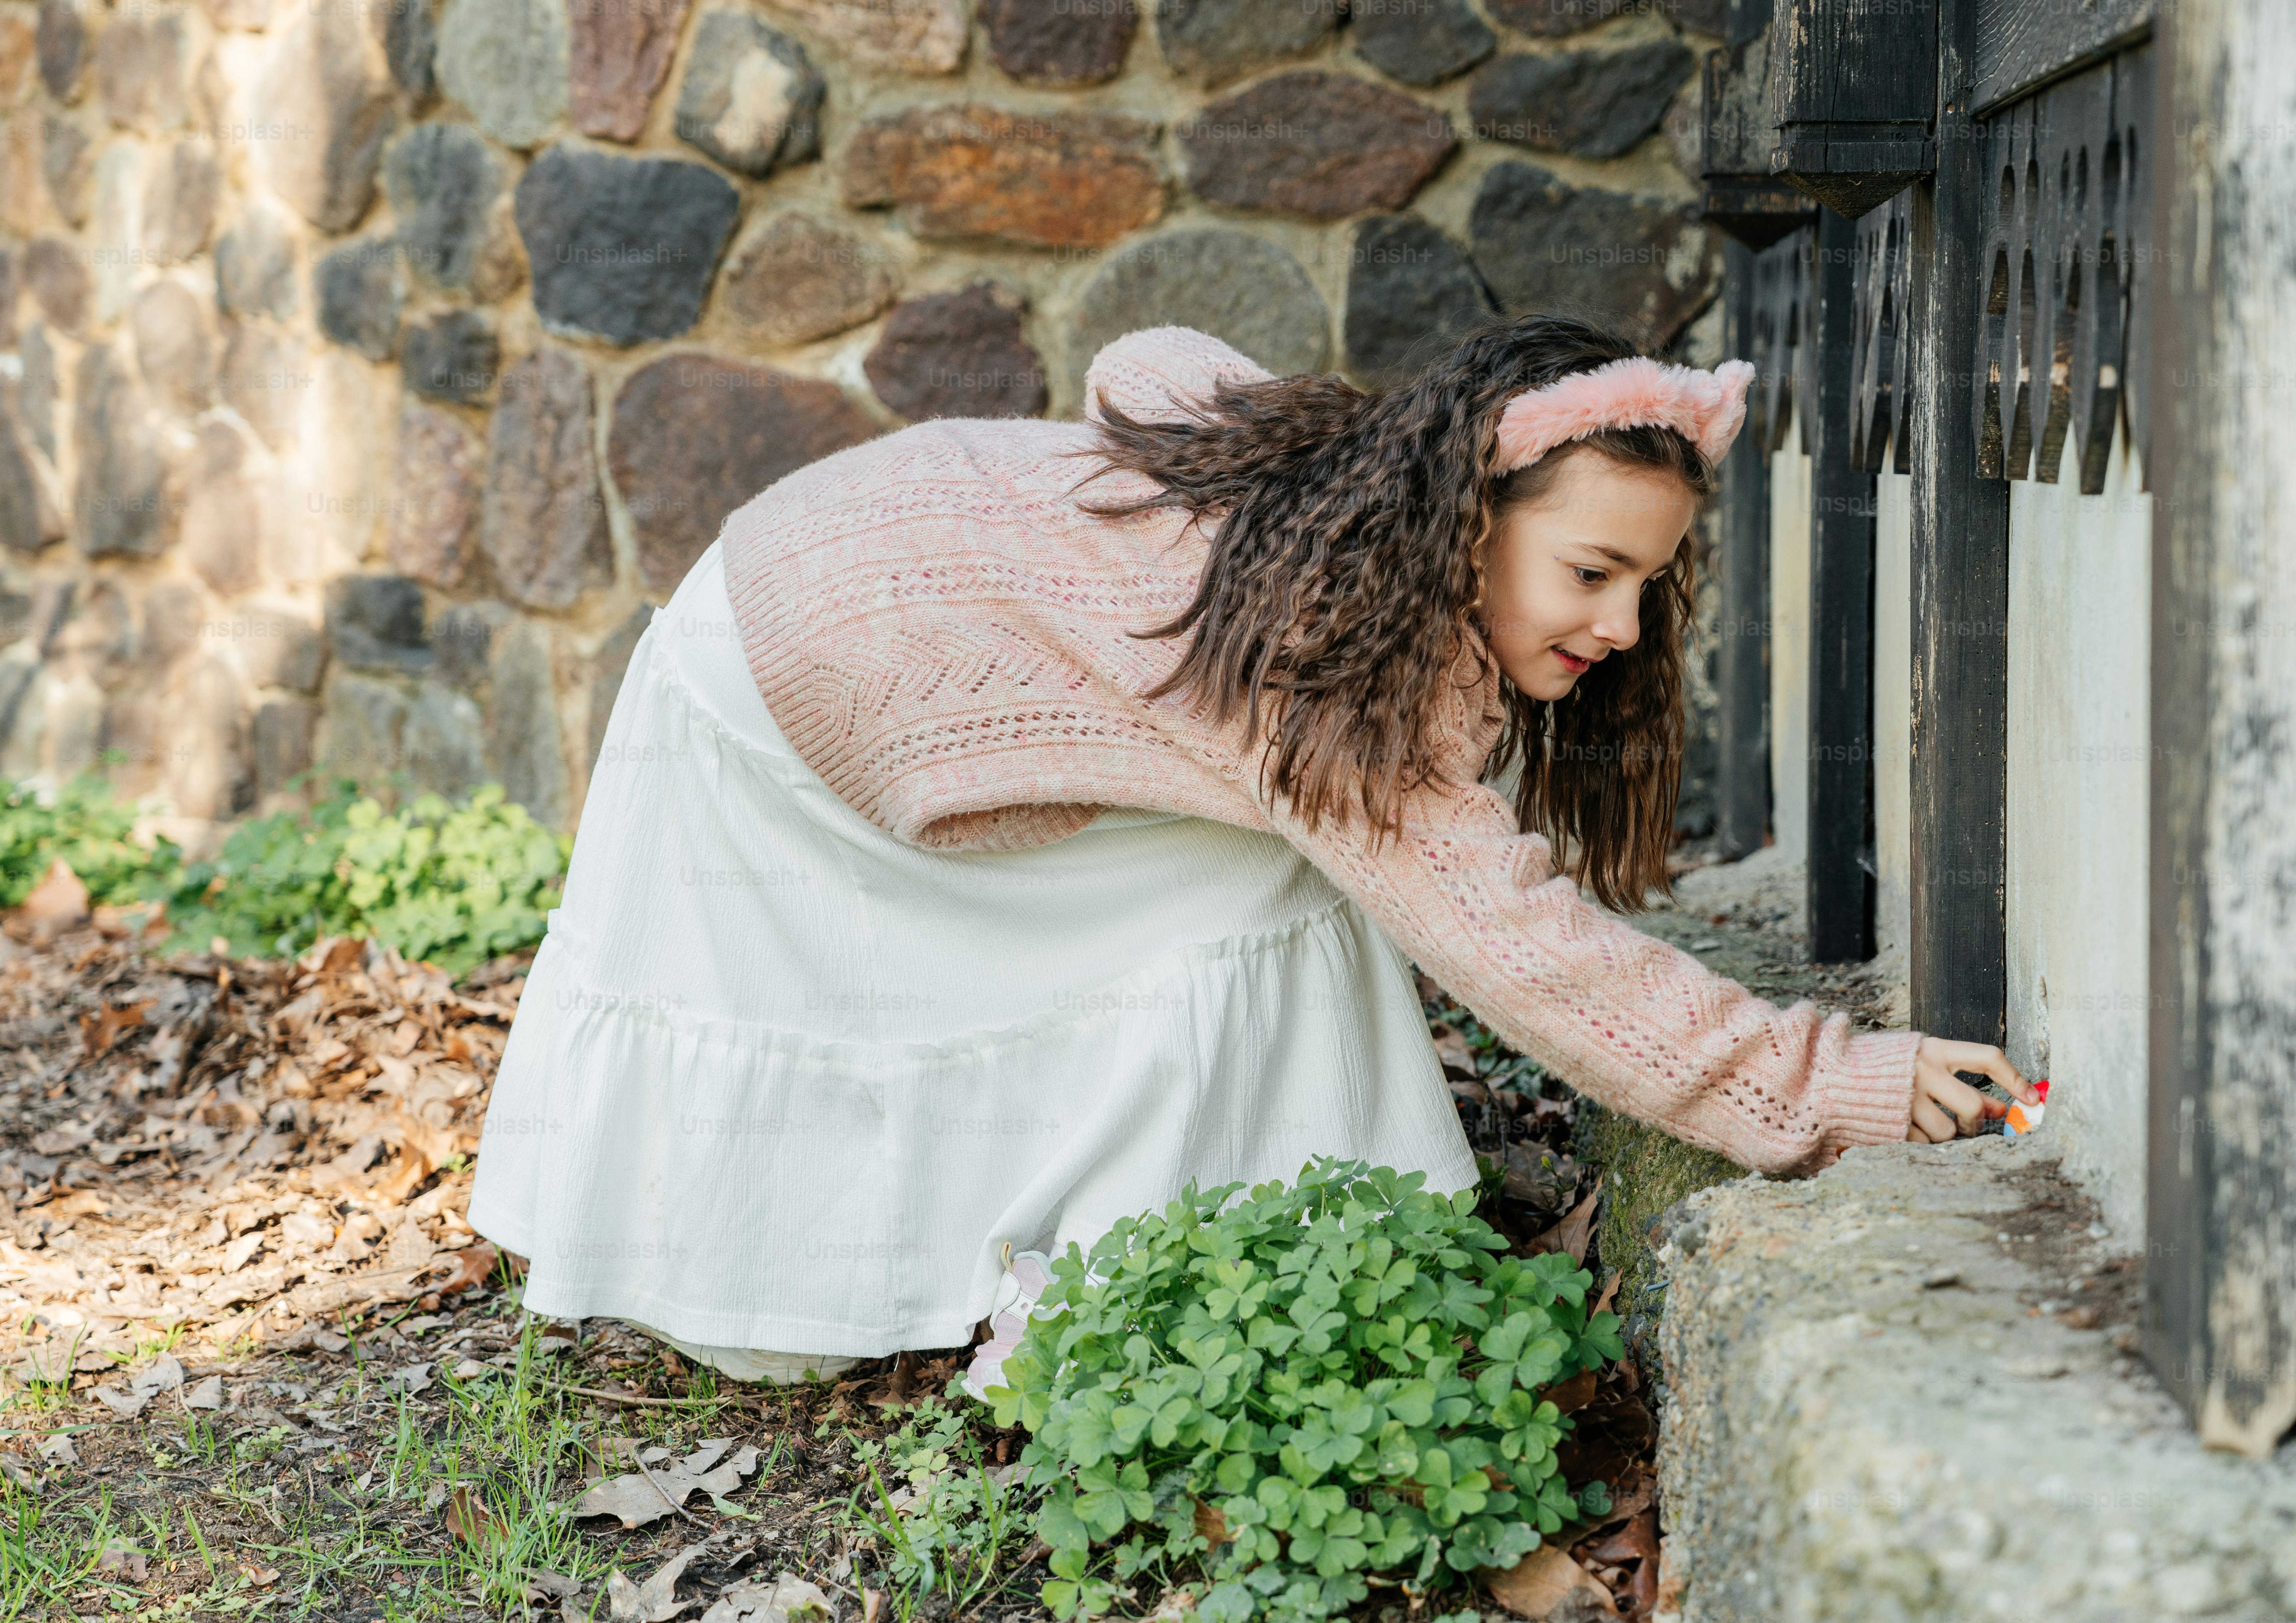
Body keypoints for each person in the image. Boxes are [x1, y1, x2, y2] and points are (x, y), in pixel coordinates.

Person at [466, 314, 2033, 1394]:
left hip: (785, 575)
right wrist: (1819, 1082)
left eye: (1645, 582)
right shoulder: (1327, 658)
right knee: (1236, 893)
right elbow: (1527, 958)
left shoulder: (1333, 495)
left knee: (1234, 887)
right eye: (1590, 571)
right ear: (1465, 508)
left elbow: (1145, 365)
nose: (1620, 629)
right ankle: (1130, 1278)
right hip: (769, 681)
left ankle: (1163, 1242)